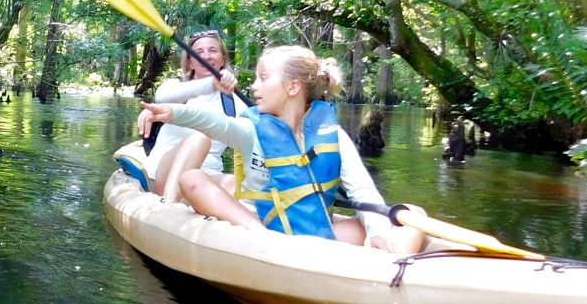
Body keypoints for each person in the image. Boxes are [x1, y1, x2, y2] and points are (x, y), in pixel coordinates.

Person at [140, 45, 424, 252]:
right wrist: (174, 112)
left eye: (263, 78)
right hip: (260, 224)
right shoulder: (251, 130)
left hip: (314, 231)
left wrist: (376, 232)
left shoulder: (333, 136)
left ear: (293, 87)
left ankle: (391, 266)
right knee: (192, 178)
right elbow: (215, 123)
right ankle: (263, 237)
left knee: (413, 214)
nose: (253, 86)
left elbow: (364, 194)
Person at [138, 31, 248, 204]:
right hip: (164, 174)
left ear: (223, 59)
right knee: (199, 138)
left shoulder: (236, 104)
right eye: (199, 51)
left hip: (206, 177)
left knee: (240, 187)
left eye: (213, 50)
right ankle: (168, 205)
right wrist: (211, 84)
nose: (206, 56)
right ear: (190, 62)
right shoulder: (175, 87)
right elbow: (162, 97)